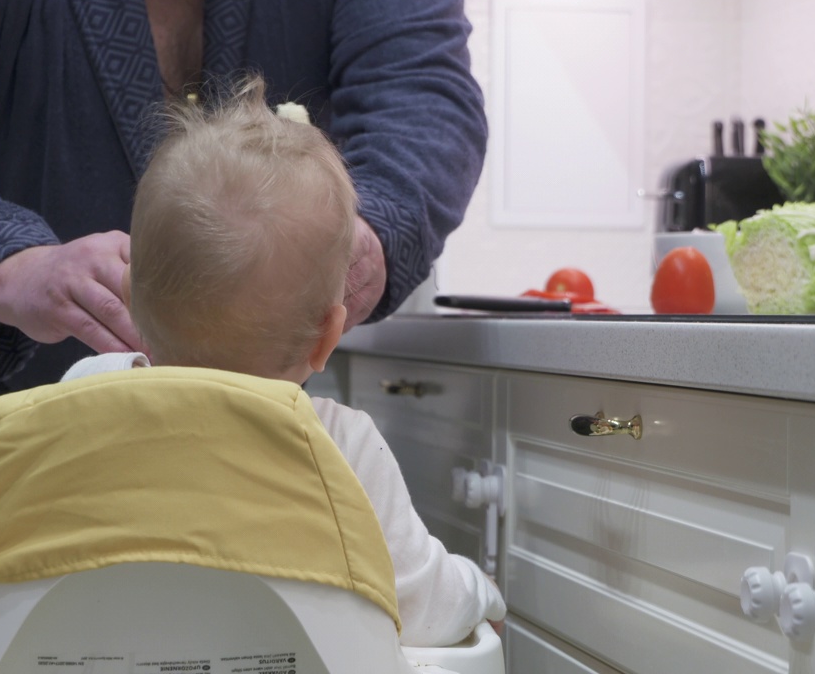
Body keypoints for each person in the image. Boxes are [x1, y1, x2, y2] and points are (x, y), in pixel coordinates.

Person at [0, 0, 487, 537]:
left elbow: (421, 99)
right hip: (13, 426)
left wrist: (363, 238)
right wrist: (16, 270)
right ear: (326, 334)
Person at [55, 77, 504, 646]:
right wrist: (480, 589)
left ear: (128, 295)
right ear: (328, 336)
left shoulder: (80, 394)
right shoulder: (338, 444)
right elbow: (421, 606)